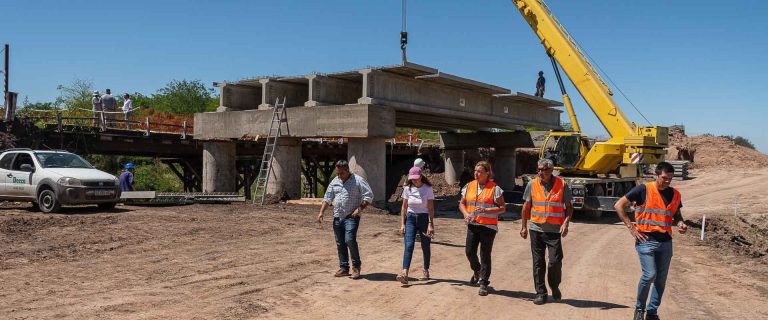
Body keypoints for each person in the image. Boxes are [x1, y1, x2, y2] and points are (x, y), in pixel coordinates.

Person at [615, 161, 688, 320]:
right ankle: (639, 309)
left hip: (666, 242)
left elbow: (676, 215)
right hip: (646, 240)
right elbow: (619, 205)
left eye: (670, 178)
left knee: (660, 280)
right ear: (656, 175)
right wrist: (631, 228)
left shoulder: (675, 194)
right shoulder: (643, 189)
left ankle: (652, 312)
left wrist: (681, 223)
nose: (667, 181)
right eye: (664, 178)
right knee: (650, 275)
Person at [520, 158, 573, 305]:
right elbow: (526, 207)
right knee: (538, 262)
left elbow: (569, 207)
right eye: (538, 169)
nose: (540, 172)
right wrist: (524, 226)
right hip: (536, 228)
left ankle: (554, 285)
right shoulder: (532, 184)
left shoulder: (562, 185)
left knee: (555, 261)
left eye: (543, 170)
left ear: (551, 170)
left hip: (554, 231)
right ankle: (541, 293)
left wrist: (566, 223)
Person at [317, 160, 374, 280]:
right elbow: (328, 197)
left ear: (347, 171)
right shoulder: (335, 181)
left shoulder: (358, 180)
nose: (339, 176)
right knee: (340, 243)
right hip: (337, 217)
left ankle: (356, 267)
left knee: (349, 240)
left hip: (351, 217)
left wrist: (360, 208)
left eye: (341, 173)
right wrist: (321, 212)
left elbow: (369, 196)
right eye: (337, 173)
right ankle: (344, 267)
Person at [459, 161, 505, 296]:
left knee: (485, 255)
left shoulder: (495, 189)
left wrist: (486, 209)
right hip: (473, 225)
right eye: (475, 171)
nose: (476, 173)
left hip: (488, 227)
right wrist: (466, 214)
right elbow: (462, 204)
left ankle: (484, 283)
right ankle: (477, 271)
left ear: (487, 173)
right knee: (469, 252)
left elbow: (502, 208)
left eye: (479, 171)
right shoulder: (469, 186)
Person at [396, 166, 435, 284]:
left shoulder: (428, 189)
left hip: (424, 219)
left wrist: (430, 224)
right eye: (412, 179)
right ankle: (404, 272)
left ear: (421, 176)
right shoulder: (408, 188)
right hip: (411, 219)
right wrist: (402, 223)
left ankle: (425, 270)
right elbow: (404, 207)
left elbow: (430, 208)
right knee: (409, 245)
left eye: (416, 179)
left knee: (425, 245)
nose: (414, 181)